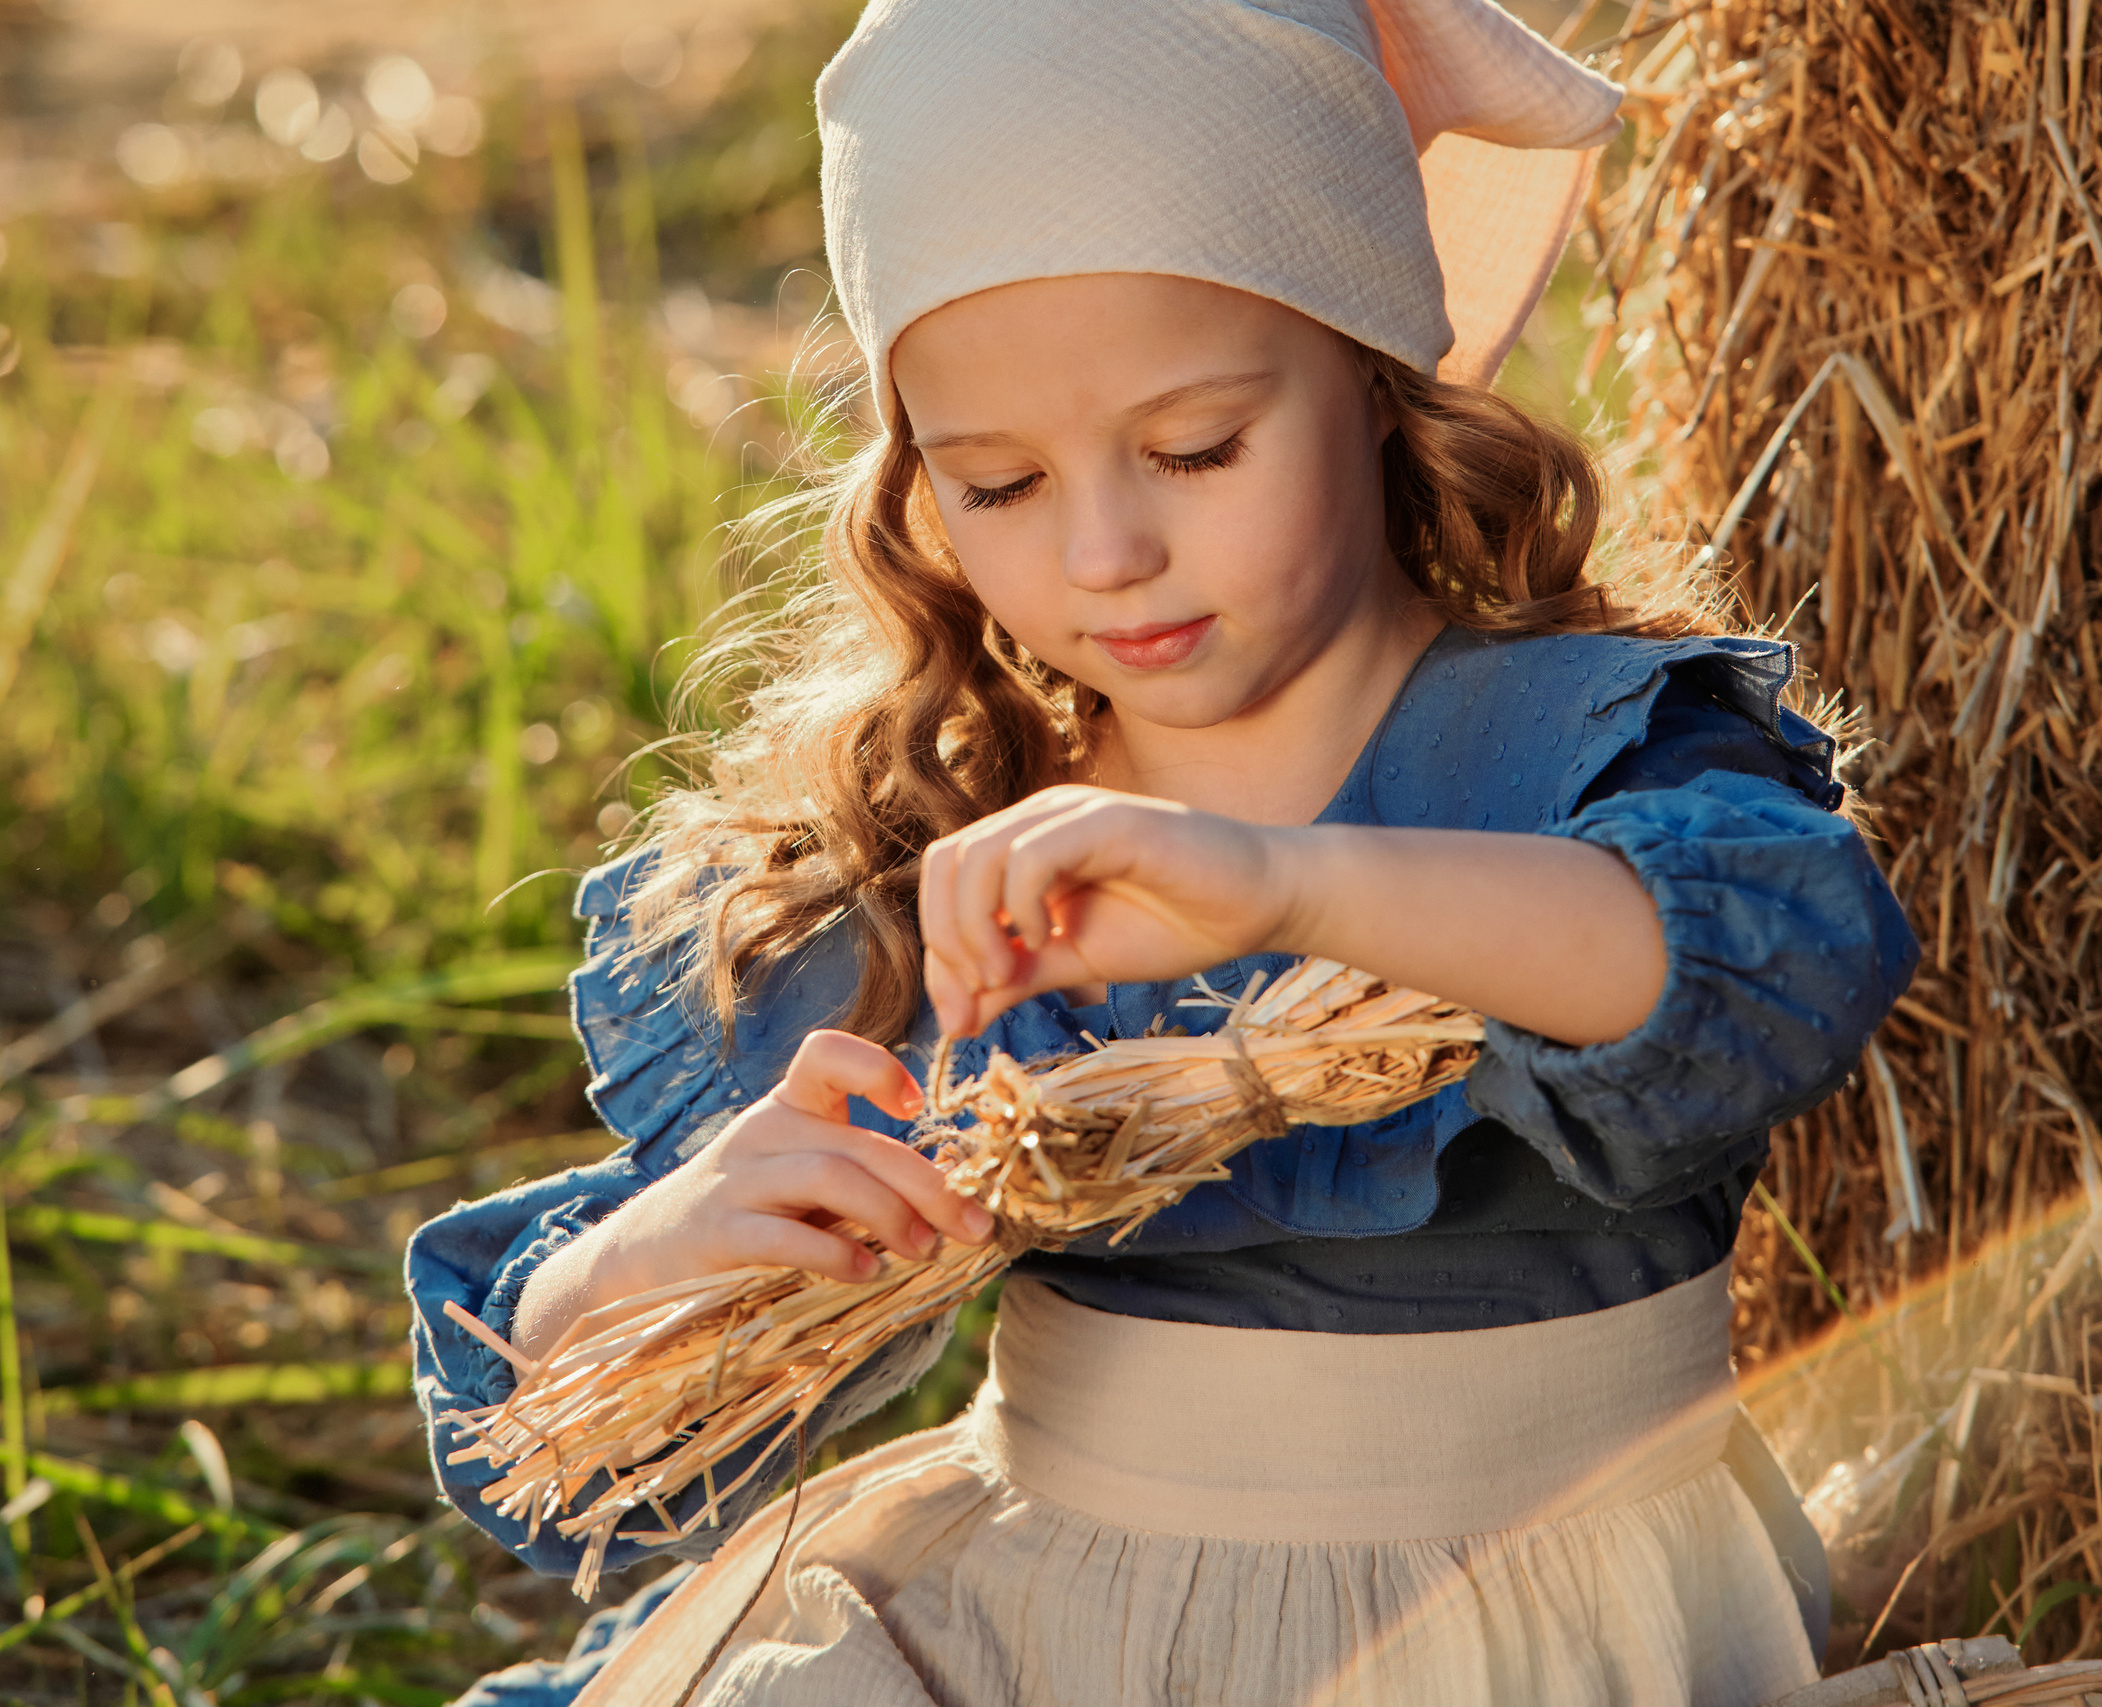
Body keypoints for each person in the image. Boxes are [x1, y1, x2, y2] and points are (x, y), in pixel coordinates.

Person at [409, 1, 1921, 1702]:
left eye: (1196, 449)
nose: (1109, 550)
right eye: (999, 485)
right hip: (1044, 1632)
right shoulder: (944, 859)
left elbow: (1789, 955)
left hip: (1552, 1637)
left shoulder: (1576, 748)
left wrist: (1285, 883)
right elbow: (577, 1465)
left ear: (1371, 378)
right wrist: (654, 1258)